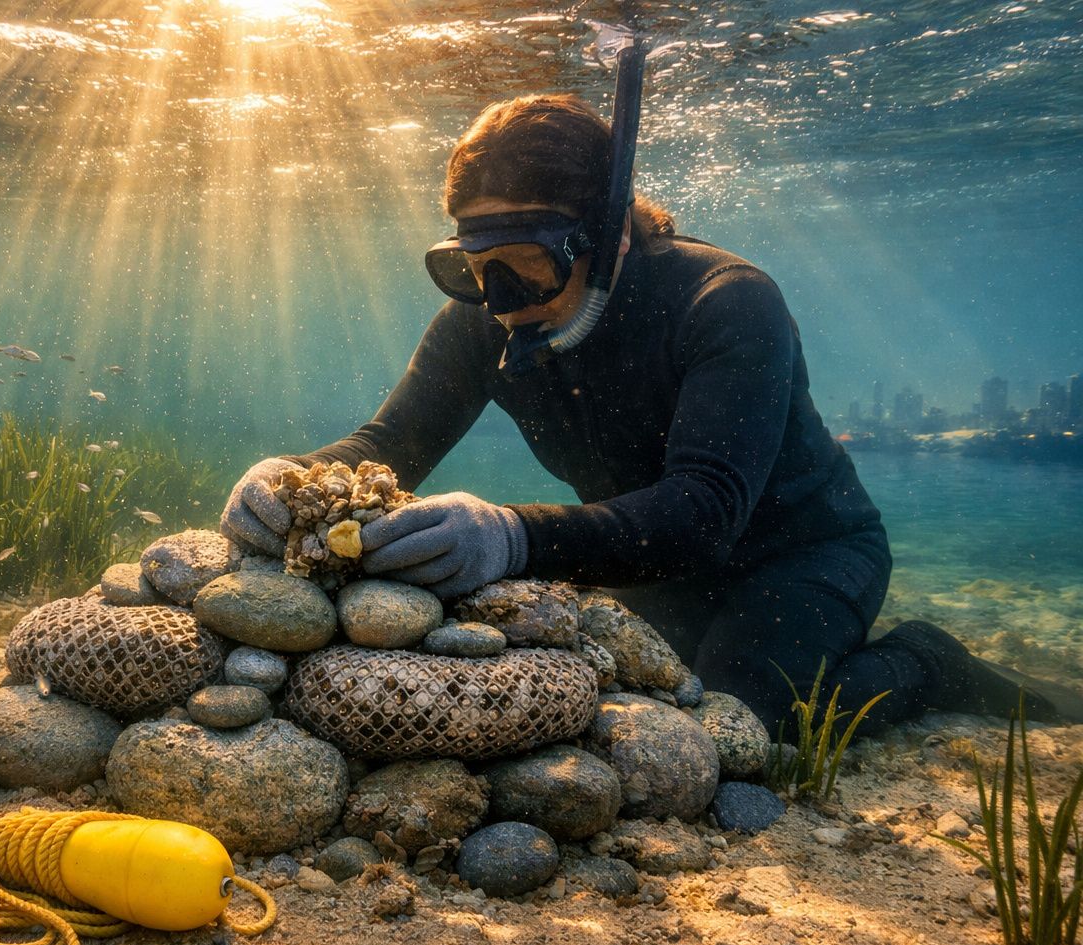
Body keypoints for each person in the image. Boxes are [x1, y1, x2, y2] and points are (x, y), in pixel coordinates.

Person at [220, 90, 1081, 732]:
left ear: (607, 234)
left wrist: (508, 537)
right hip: (655, 563)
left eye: (529, 262)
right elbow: (387, 444)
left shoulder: (726, 299)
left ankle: (922, 662)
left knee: (738, 725)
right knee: (622, 705)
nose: (503, 297)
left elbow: (704, 508)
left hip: (804, 552)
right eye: (473, 267)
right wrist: (292, 480)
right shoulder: (480, 324)